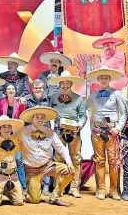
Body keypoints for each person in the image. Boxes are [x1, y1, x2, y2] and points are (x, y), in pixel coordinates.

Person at [18, 106, 74, 206]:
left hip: (47, 165)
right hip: (31, 170)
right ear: (32, 119)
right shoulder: (23, 131)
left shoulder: (50, 132)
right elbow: (9, 138)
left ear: (45, 119)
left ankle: (55, 197)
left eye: (42, 117)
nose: (40, 120)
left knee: (69, 171)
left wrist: (69, 162)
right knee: (35, 200)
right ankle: (28, 191)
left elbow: (61, 148)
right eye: (37, 117)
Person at [86, 65, 127, 200]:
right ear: (98, 79)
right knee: (99, 161)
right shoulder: (93, 95)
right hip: (97, 132)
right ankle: (101, 189)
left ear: (109, 79)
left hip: (112, 132)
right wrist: (90, 125)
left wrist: (118, 128)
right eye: (101, 78)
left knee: (114, 161)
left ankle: (114, 190)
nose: (103, 80)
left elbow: (124, 113)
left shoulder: (117, 94)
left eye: (106, 78)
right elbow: (85, 109)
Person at [49, 70, 87, 198]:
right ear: (60, 84)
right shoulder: (53, 98)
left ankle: (74, 188)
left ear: (71, 83)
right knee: (58, 158)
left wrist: (79, 125)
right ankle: (58, 186)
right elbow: (49, 113)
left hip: (74, 132)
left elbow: (83, 116)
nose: (65, 85)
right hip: (59, 131)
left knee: (75, 158)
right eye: (62, 83)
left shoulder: (78, 98)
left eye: (67, 83)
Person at [0, 115, 24, 207]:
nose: (7, 129)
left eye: (9, 127)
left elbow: (23, 151)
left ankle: (7, 191)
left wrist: (22, 145)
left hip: (13, 175)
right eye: (4, 127)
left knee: (19, 202)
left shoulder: (15, 140)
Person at [22, 79, 52, 196]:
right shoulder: (26, 99)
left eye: (40, 88)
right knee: (30, 158)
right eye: (35, 88)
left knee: (47, 157)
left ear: (43, 89)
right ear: (32, 89)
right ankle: (30, 184)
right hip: (31, 133)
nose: (38, 90)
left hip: (45, 132)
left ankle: (45, 186)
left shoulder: (49, 99)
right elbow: (23, 115)